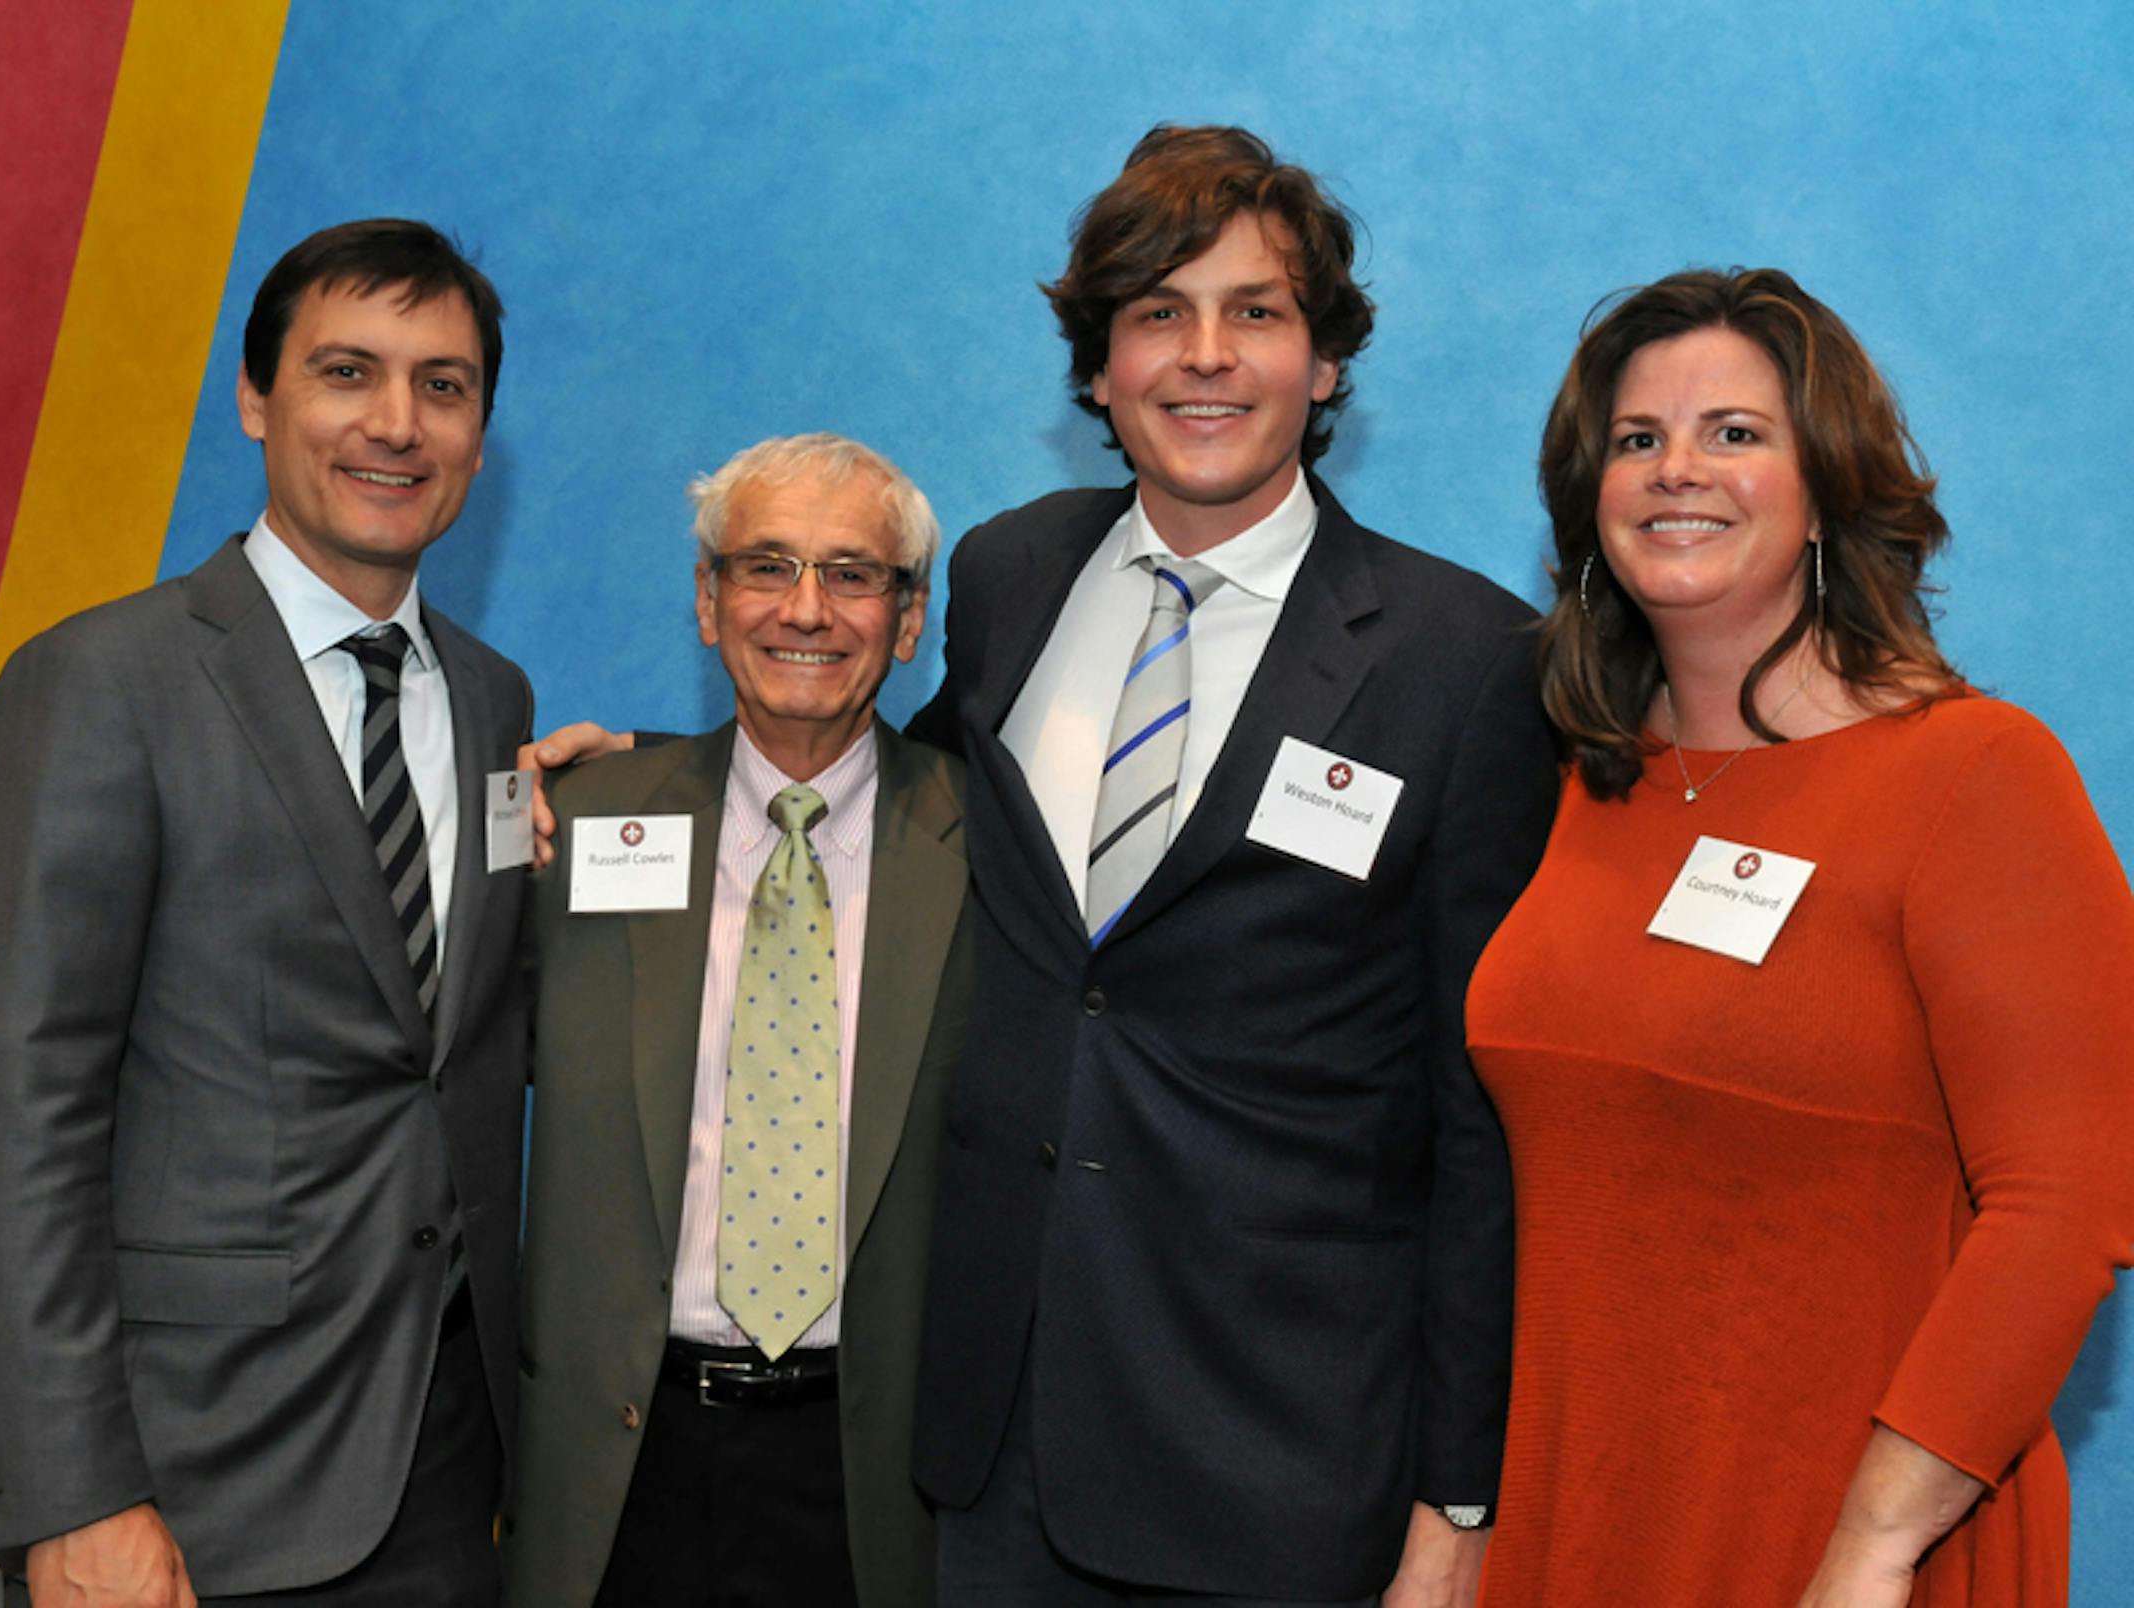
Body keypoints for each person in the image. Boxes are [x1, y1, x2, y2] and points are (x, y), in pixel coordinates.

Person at [905, 125, 1555, 1606]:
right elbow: (910, 815)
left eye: (1256, 312)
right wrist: (668, 782)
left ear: (1325, 364)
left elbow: (1479, 1118)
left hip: (1281, 1462)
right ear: (1097, 370)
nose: (1207, 358)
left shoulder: (1464, 664)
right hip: (992, 1444)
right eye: (1157, 314)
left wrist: (1461, 1494)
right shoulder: (1006, 578)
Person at [1466, 267, 2134, 1606]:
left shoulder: (1978, 775)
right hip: (1576, 1522)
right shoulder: (1579, 785)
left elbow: (2066, 1211)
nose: (1677, 471)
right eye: (1638, 441)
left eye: (1736, 433)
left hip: (1850, 1546)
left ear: (1828, 483)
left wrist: (1872, 1550)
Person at [0, 219, 531, 1606]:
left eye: (445, 386)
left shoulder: (493, 703)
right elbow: (14, 1105)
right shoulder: (100, 684)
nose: (397, 424)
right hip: (181, 1482)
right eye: (349, 372)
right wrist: (71, 1493)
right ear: (255, 397)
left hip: (448, 1470)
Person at [505, 435, 970, 1608]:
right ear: (708, 602)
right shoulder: (573, 828)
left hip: (874, 1486)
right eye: (766, 566)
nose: (805, 608)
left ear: (909, 621)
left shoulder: (993, 852)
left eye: (853, 574)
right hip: (619, 1468)